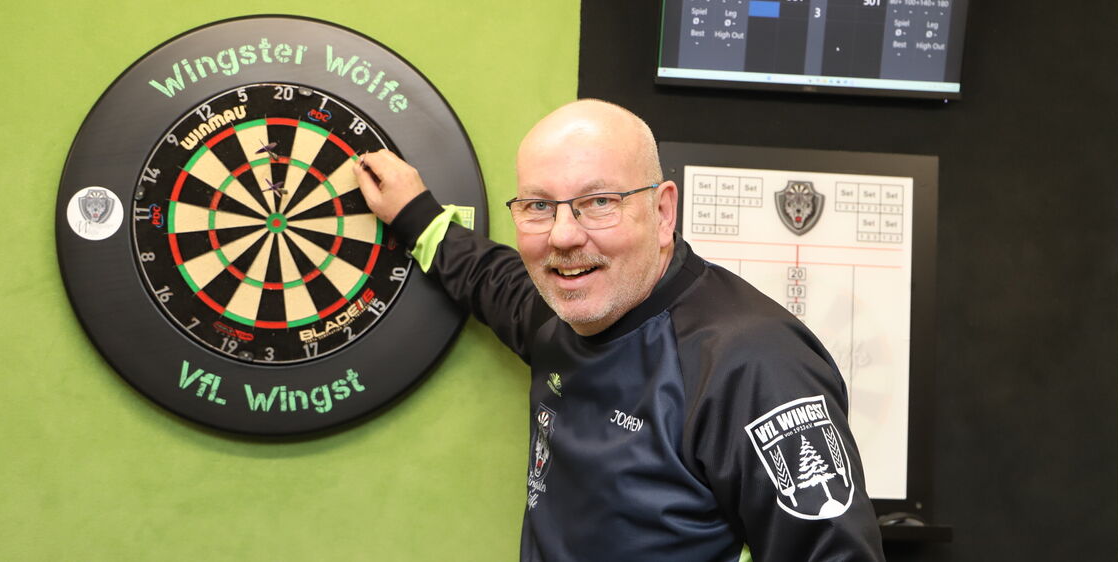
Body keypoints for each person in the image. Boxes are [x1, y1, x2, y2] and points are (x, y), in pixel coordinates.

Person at [354, 99, 884, 561]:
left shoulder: (750, 364)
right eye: (539, 206)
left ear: (662, 210)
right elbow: (490, 280)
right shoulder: (559, 312)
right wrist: (417, 216)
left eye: (599, 202)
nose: (563, 235)